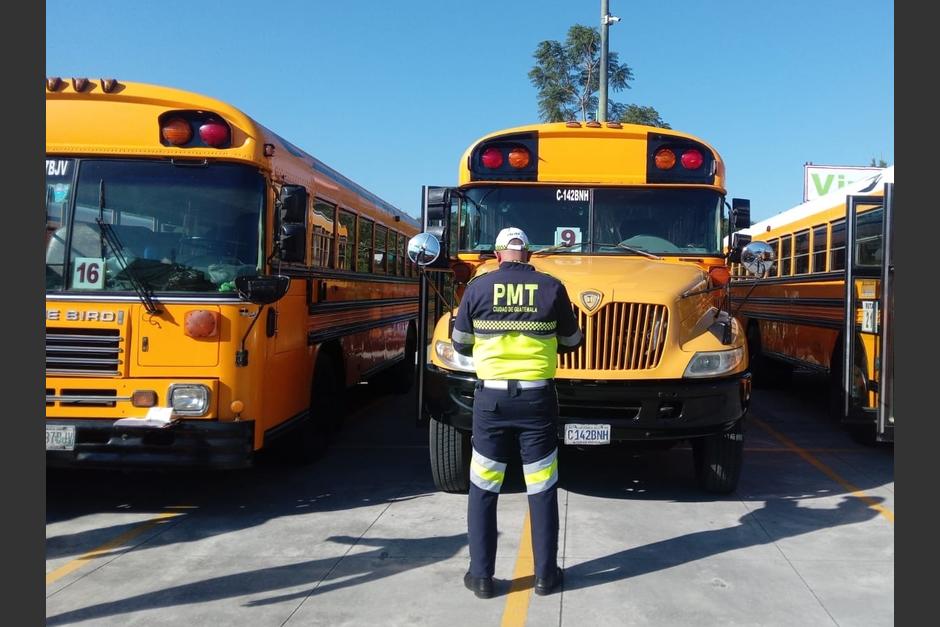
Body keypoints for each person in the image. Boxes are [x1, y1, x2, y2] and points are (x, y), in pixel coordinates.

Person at [452, 226, 583, 599]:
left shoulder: (477, 288)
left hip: (490, 400)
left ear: (497, 255)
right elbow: (573, 341)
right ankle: (544, 576)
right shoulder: (551, 287)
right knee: (541, 486)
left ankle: (481, 577)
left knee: (483, 486)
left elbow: (461, 343)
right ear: (527, 255)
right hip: (537, 399)